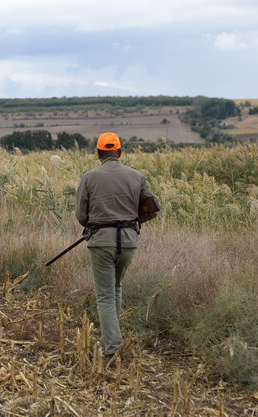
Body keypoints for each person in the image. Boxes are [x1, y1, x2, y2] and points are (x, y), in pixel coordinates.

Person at [76, 132, 154, 359]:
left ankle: (112, 348)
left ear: (98, 153)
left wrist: (93, 224)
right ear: (119, 152)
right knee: (116, 288)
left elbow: (81, 214)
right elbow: (150, 209)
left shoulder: (89, 177)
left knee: (106, 297)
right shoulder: (137, 176)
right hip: (129, 243)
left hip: (101, 242)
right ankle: (113, 336)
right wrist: (133, 223)